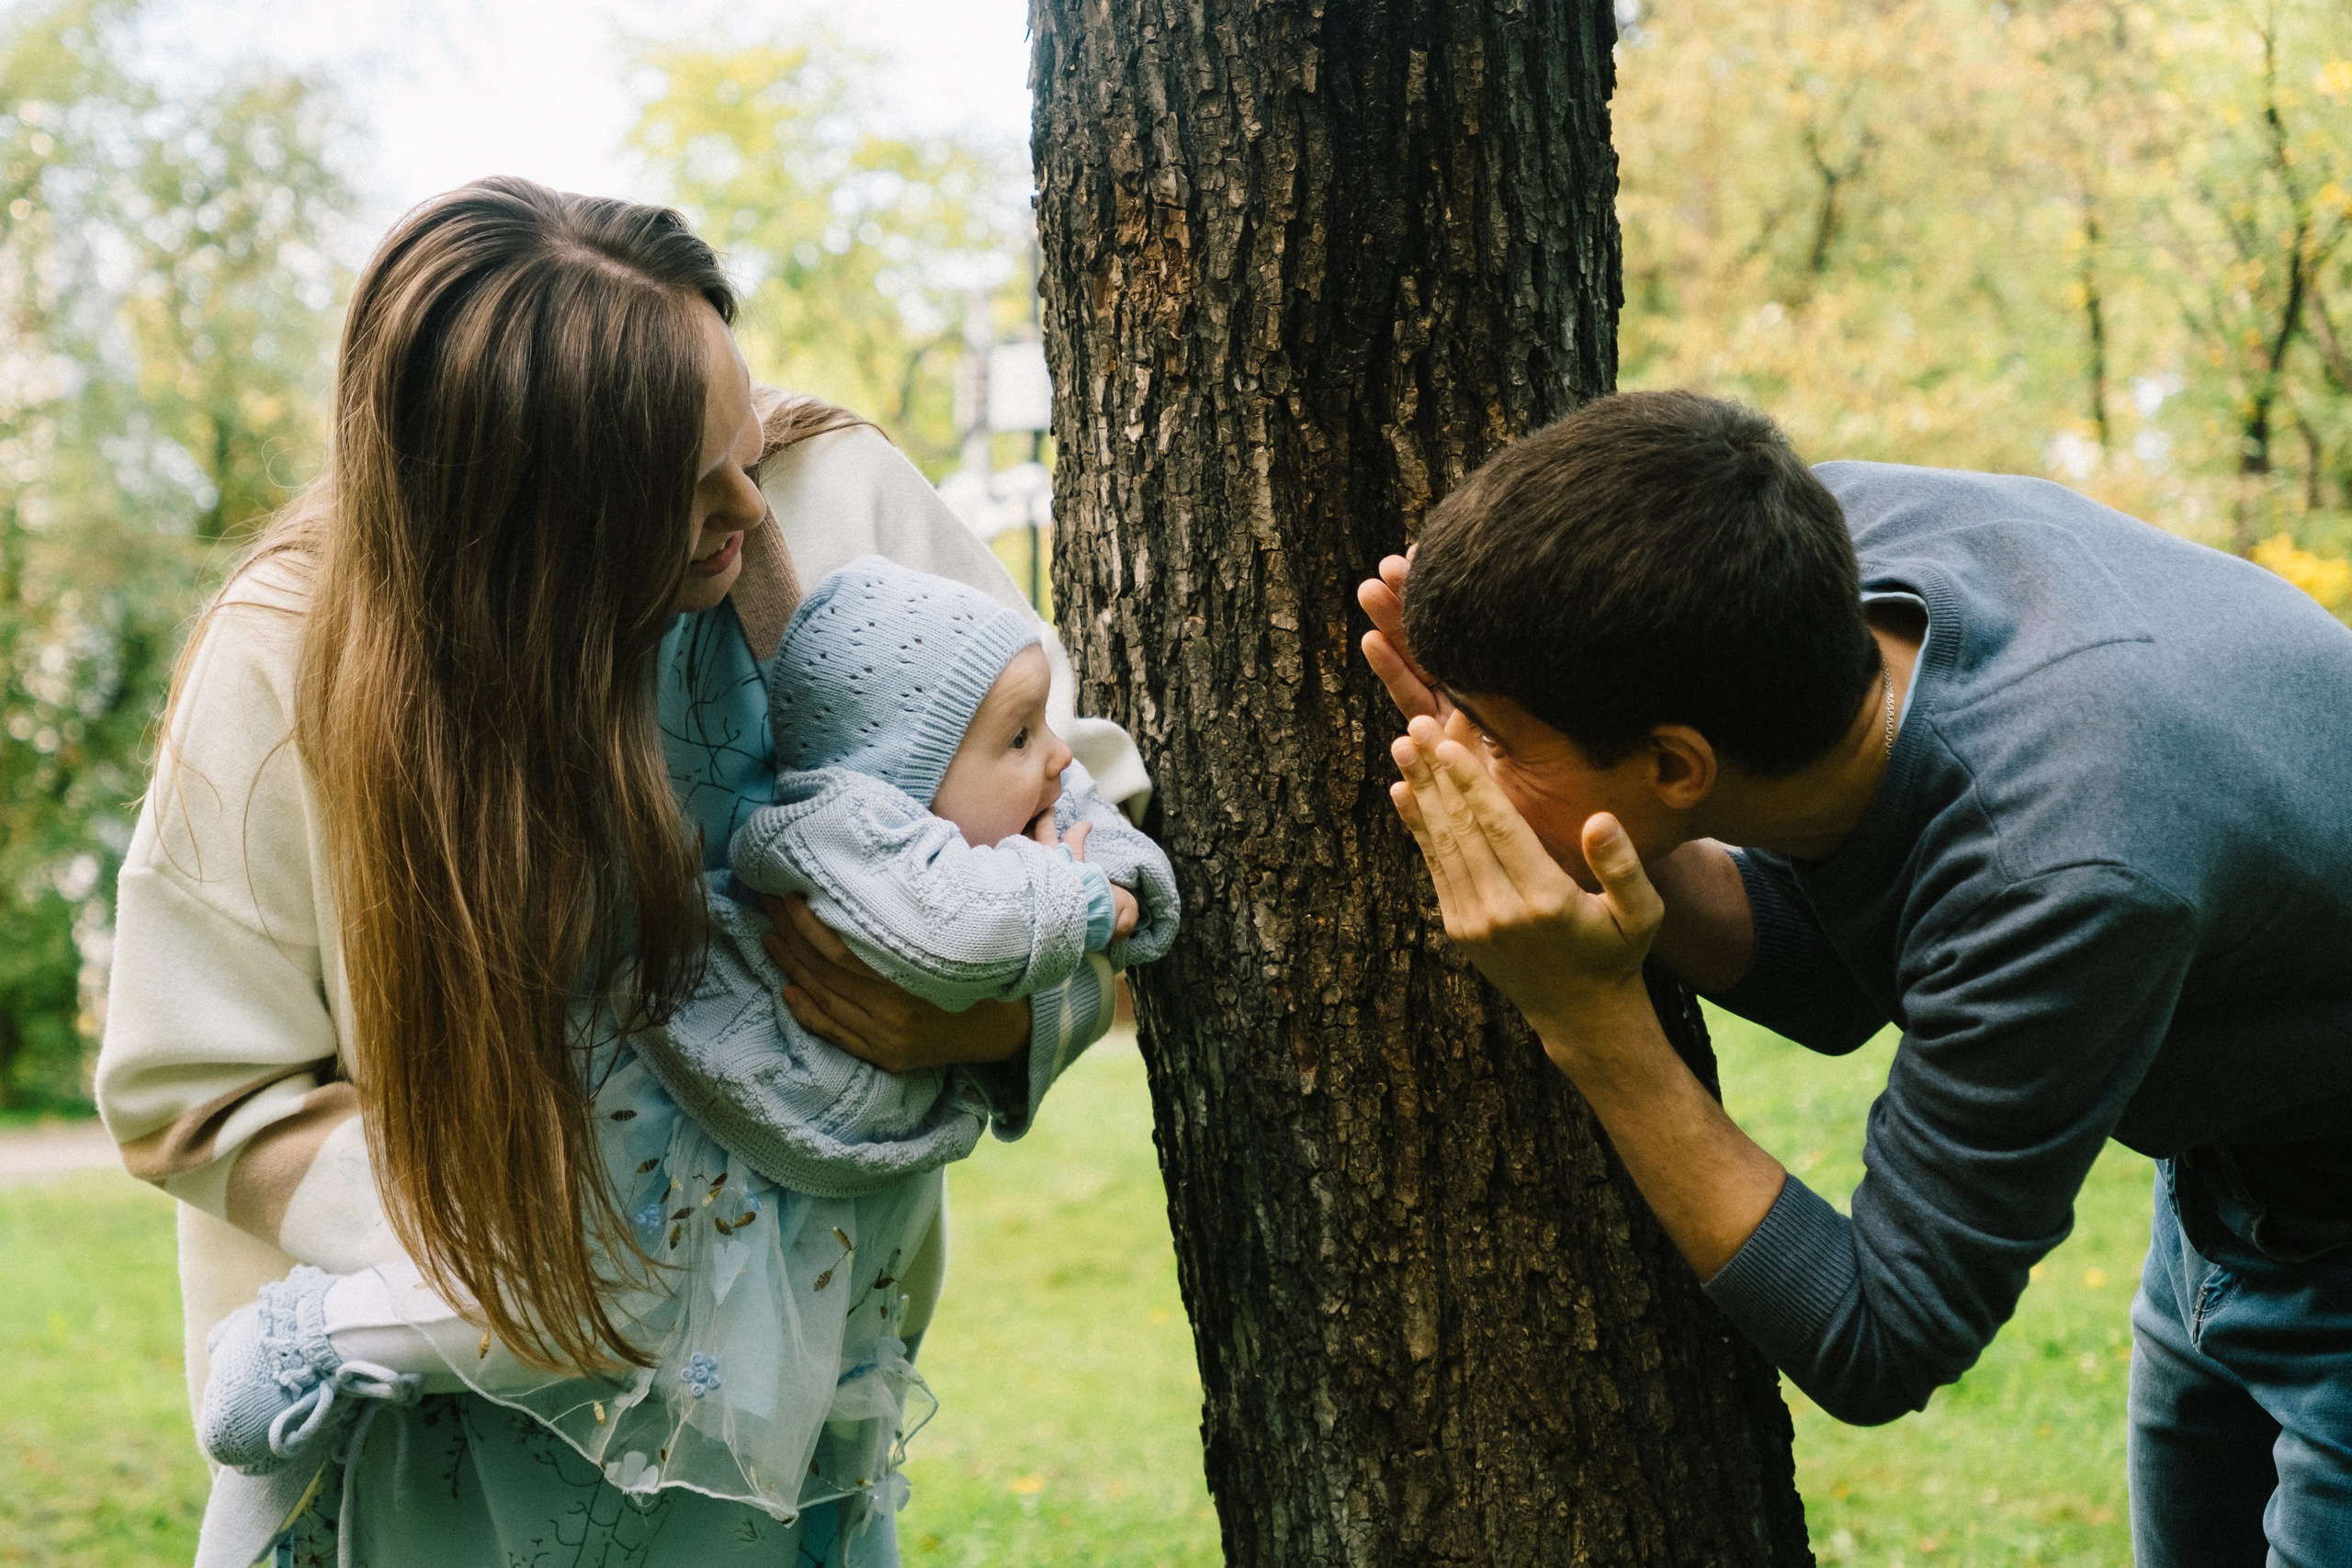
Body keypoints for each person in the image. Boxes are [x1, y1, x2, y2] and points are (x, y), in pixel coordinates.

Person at [94, 178, 1148, 1566]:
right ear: (521, 525)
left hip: (788, 1450)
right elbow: (193, 1093)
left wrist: (993, 1024)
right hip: (439, 1467)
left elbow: (1096, 842)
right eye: (682, 489)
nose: (746, 504)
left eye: (742, 433)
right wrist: (556, 1253)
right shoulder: (287, 653)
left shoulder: (834, 499)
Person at [1358, 389, 2352, 1568]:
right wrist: (1556, 807)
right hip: (2242, 1191)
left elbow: (1880, 1336)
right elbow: (1842, 964)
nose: (1452, 756)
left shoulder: (2063, 864)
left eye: (1491, 734)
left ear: (1675, 764)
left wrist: (1591, 1022)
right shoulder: (1801, 556)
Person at [193, 556, 1179, 1540]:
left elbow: (1097, 824)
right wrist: (1086, 899)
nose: (1058, 758)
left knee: (657, 1356)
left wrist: (1118, 876)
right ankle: (314, 1340)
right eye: (1020, 737)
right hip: (677, 1135)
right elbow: (958, 930)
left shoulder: (990, 809)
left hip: (770, 1185)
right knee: (559, 1299)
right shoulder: (849, 831)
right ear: (898, 773)